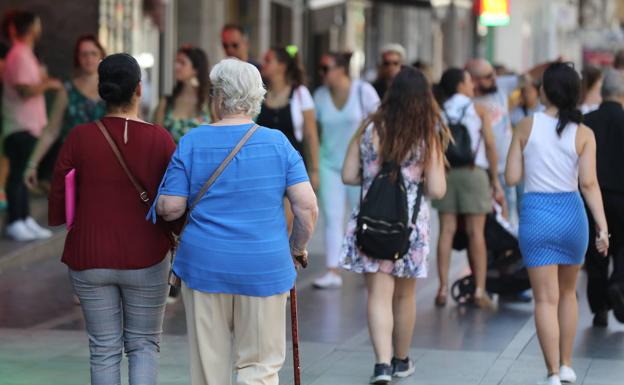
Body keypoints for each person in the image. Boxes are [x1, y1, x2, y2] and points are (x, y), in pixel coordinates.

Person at [152, 58, 318, 385]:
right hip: (264, 267)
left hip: (204, 266)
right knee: (259, 367)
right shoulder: (278, 143)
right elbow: (306, 207)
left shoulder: (192, 141)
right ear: (257, 98)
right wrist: (297, 247)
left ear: (217, 97)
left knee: (209, 368)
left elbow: (170, 208)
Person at [48, 53, 176, 385]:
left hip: (89, 257)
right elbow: (174, 204)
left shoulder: (79, 138)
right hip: (147, 257)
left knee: (103, 349)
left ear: (102, 90)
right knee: (143, 345)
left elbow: (59, 204)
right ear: (139, 89)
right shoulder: (160, 139)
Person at [340, 67, 448, 384]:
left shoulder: (370, 128)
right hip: (409, 226)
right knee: (404, 296)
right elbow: (438, 189)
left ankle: (382, 365)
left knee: (377, 295)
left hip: (373, 221)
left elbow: (348, 175)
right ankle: (401, 360)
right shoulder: (427, 133)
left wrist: (374, 177)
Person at [505, 62, 609, 385]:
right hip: (571, 215)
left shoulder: (525, 126)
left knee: (544, 300)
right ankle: (566, 364)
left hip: (537, 213)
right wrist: (603, 228)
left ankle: (551, 373)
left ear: (544, 91)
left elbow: (511, 177)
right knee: (567, 295)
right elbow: (589, 184)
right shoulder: (584, 133)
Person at [432, 68, 503, 308]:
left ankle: (441, 289)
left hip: (448, 175)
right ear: (460, 85)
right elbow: (491, 145)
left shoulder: (439, 112)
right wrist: (494, 179)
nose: (472, 84)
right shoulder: (478, 109)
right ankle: (480, 290)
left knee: (446, 231)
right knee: (476, 234)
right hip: (474, 174)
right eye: (468, 80)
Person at [312, 52, 380, 289]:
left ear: (341, 69)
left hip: (360, 165)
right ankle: (333, 270)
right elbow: (313, 131)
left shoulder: (364, 91)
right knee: (332, 217)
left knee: (362, 214)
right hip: (329, 164)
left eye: (325, 68)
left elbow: (379, 121)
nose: (321, 73)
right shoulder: (319, 96)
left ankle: (369, 263)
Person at [2, 10, 62, 241]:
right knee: (18, 174)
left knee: (25, 174)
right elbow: (24, 89)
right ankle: (16, 221)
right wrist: (48, 84)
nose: (40, 28)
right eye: (37, 24)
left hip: (30, 125)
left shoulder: (26, 54)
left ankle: (24, 218)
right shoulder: (18, 54)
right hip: (19, 125)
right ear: (30, 27)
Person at [466, 58, 550, 218]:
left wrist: (550, 63)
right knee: (481, 217)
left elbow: (526, 77)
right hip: (481, 169)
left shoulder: (500, 87)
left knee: (509, 212)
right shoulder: (468, 99)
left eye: (494, 74)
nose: (494, 78)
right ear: (474, 80)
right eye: (489, 76)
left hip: (506, 167)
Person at [24, 34, 106, 190]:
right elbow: (51, 130)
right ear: (77, 58)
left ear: (101, 55)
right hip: (73, 165)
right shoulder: (67, 90)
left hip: (106, 164)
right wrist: (32, 164)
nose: (89, 58)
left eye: (93, 53)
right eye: (84, 54)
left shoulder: (112, 89)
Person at [583, 68, 624, 328]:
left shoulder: (587, 121)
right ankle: (618, 284)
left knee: (596, 251)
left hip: (592, 197)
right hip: (623, 197)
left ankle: (599, 307)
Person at [257, 45, 319, 189]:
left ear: (281, 66)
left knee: (288, 211)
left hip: (291, 167)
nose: (263, 64)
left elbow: (311, 134)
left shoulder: (300, 93)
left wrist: (315, 170)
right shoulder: (259, 94)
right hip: (264, 167)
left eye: (268, 60)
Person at [154, 44, 210, 143]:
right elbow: (156, 140)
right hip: (171, 157)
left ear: (195, 69)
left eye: (182, 63)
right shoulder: (166, 102)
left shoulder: (209, 102)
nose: (176, 67)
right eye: (176, 62)